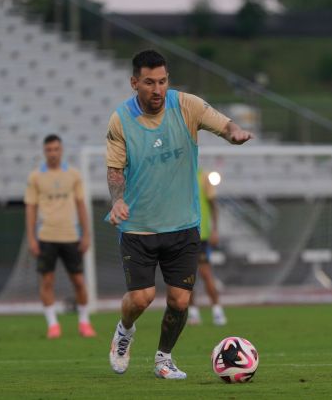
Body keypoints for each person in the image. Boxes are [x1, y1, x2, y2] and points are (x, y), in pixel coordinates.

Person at [105, 50, 252, 379]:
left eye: (162, 81)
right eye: (148, 82)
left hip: (183, 225)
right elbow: (115, 171)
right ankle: (124, 332)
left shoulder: (187, 105)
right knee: (141, 298)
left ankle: (163, 359)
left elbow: (223, 124)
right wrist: (117, 200)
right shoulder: (120, 120)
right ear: (134, 83)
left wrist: (235, 133)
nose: (157, 89)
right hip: (139, 227)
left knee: (180, 301)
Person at [24, 134, 96, 339]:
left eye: (56, 149)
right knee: (47, 281)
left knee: (79, 281)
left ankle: (84, 322)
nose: (53, 153)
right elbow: (30, 208)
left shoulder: (73, 175)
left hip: (71, 236)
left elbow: (81, 205)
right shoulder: (36, 177)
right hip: (46, 236)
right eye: (49, 150)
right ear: (44, 151)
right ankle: (53, 324)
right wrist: (31, 237)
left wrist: (86, 235)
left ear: (61, 150)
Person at [187, 170, 227, 326]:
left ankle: (217, 310)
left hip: (200, 234)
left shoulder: (202, 176)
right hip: (180, 235)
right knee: (186, 277)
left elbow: (213, 205)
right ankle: (193, 313)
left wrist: (215, 230)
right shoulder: (176, 174)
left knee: (205, 273)